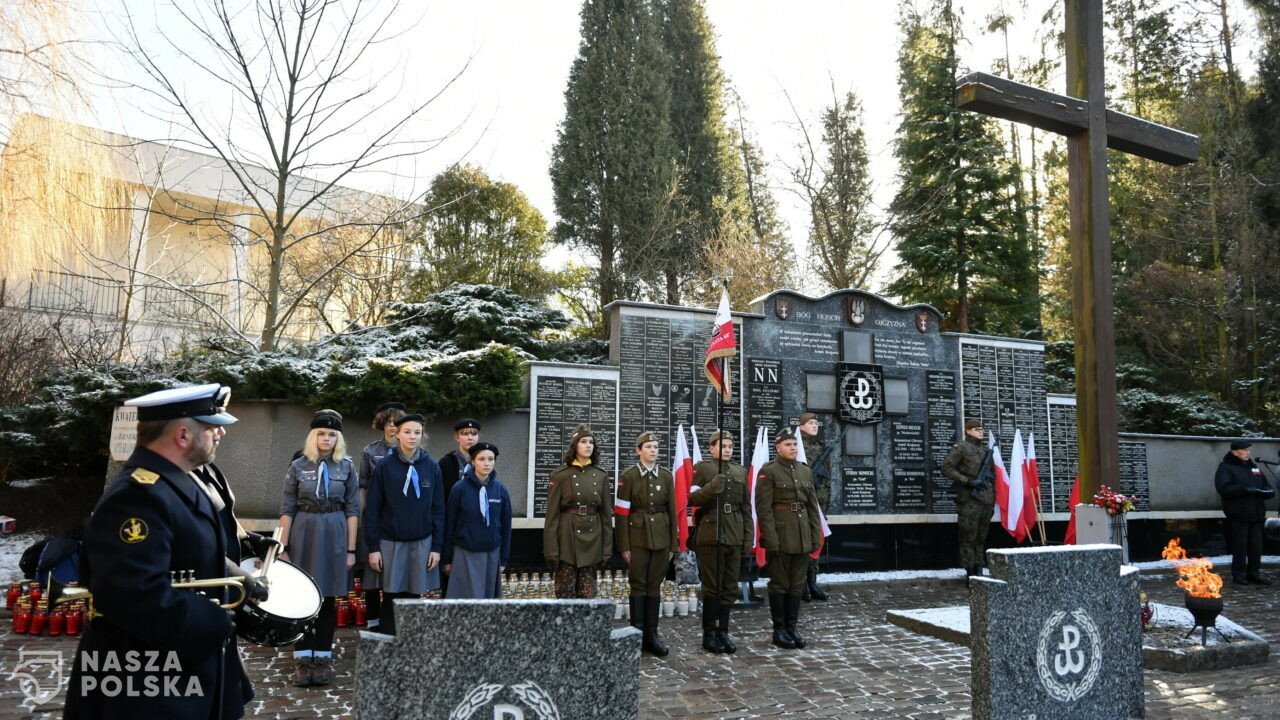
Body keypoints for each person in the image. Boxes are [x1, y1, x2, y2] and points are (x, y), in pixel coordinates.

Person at [65, 383, 250, 719]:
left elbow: (190, 553)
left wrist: (237, 576)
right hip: (147, 683)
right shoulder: (138, 495)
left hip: (177, 667)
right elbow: (133, 593)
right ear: (183, 435)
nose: (220, 432)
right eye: (211, 426)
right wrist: (213, 620)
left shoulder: (178, 480)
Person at [278, 409, 360, 688]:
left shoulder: (347, 466)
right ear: (314, 436)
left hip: (335, 531)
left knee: (327, 598)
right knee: (302, 598)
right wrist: (283, 546)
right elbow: (287, 508)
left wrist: (351, 550)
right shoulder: (298, 465)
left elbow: (352, 509)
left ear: (339, 438)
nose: (327, 438)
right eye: (322, 433)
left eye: (332, 434)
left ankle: (322, 657)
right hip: (304, 531)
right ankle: (302, 658)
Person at [365, 413, 445, 635]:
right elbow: (372, 509)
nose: (412, 437)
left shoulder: (431, 467)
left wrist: (436, 548)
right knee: (391, 595)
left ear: (422, 436)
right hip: (391, 542)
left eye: (417, 432)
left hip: (422, 542)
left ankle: (408, 646)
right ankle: (388, 644)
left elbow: (438, 510)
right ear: (397, 434)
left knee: (414, 595)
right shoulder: (385, 467)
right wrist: (373, 548)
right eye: (407, 432)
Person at [756, 428, 823, 650]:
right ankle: (779, 629)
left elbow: (813, 507)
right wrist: (771, 539)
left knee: (796, 585)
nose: (792, 448)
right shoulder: (769, 472)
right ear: (778, 448)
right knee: (780, 584)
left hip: (802, 535)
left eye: (794, 444)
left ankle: (792, 628)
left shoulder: (804, 471)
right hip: (781, 535)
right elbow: (763, 510)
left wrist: (815, 535)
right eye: (788, 445)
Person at [689, 430, 752, 654]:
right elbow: (692, 499)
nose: (727, 450)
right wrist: (711, 488)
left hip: (734, 533)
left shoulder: (739, 471)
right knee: (713, 586)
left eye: (730, 446)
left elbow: (746, 507)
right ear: (712, 448)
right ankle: (710, 633)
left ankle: (723, 631)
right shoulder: (703, 469)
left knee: (728, 586)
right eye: (722, 446)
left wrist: (748, 537)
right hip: (711, 532)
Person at [615, 431, 677, 657]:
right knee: (638, 584)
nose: (653, 450)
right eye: (648, 447)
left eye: (655, 447)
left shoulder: (666, 476)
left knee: (654, 585)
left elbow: (672, 512)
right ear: (638, 451)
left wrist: (673, 545)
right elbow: (621, 513)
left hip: (661, 537)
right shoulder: (629, 476)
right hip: (637, 537)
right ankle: (637, 634)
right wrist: (624, 545)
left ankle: (652, 635)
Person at [544, 425, 614, 599]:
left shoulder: (601, 475)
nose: (588, 445)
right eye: (583, 442)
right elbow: (551, 517)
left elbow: (606, 515)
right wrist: (551, 550)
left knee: (588, 594)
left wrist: (607, 548)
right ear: (574, 445)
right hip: (567, 537)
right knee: (565, 592)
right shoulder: (560, 475)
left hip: (592, 538)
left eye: (591, 442)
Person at [357, 401, 406, 630]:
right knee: (372, 575)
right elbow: (363, 487)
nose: (393, 427)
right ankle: (373, 621)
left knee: (396, 574)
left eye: (397, 422)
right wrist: (365, 518)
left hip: (399, 521)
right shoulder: (370, 452)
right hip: (375, 518)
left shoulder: (411, 452)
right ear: (382, 425)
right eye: (389, 422)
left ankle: (394, 622)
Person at [443, 442, 512, 598]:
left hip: (491, 553)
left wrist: (504, 559)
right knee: (465, 599)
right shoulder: (459, 488)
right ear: (473, 461)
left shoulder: (501, 490)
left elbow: (506, 527)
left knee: (487, 600)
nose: (487, 463)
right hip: (465, 551)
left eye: (490, 459)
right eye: (481, 459)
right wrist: (447, 558)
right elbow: (449, 524)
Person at [1215, 440, 1276, 585]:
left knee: (1256, 546)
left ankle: (1254, 573)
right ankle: (1239, 574)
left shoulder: (1253, 468)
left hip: (1256, 513)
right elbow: (1224, 488)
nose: (1248, 453)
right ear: (1235, 451)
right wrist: (1244, 490)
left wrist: (1268, 491)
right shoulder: (1226, 467)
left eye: (1249, 450)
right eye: (1245, 450)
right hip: (1239, 514)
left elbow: (1265, 484)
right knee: (1240, 546)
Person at [941, 419, 995, 578]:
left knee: (981, 538)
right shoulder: (961, 448)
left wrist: (993, 499)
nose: (981, 432)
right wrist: (967, 481)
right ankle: (970, 572)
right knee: (968, 537)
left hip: (986, 501)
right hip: (969, 501)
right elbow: (946, 467)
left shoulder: (985, 451)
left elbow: (992, 477)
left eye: (982, 429)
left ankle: (979, 568)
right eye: (977, 429)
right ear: (968, 430)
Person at [796, 412, 830, 602]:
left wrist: (826, 504)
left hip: (820, 503)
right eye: (810, 423)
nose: (815, 425)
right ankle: (801, 584)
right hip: (804, 504)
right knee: (803, 542)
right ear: (801, 427)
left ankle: (812, 582)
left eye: (816, 422)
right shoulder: (796, 447)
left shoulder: (822, 447)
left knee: (817, 542)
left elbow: (827, 478)